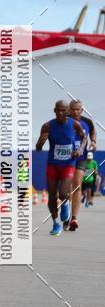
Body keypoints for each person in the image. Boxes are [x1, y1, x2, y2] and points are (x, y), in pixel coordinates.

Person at [35, 100, 86, 236]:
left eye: (63, 110)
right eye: (58, 110)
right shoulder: (47, 126)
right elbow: (38, 148)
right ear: (54, 110)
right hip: (53, 164)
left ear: (67, 111)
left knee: (63, 193)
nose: (60, 113)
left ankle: (65, 204)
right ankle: (55, 223)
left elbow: (84, 138)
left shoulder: (74, 124)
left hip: (68, 163)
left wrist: (80, 150)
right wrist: (40, 142)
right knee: (52, 196)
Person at [67, 99, 97, 231]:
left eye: (78, 109)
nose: (75, 112)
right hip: (66, 158)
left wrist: (93, 141)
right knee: (66, 188)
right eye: (73, 109)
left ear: (82, 110)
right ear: (69, 109)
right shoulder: (63, 120)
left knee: (77, 186)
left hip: (81, 158)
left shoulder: (87, 122)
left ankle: (74, 218)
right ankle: (66, 213)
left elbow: (92, 132)